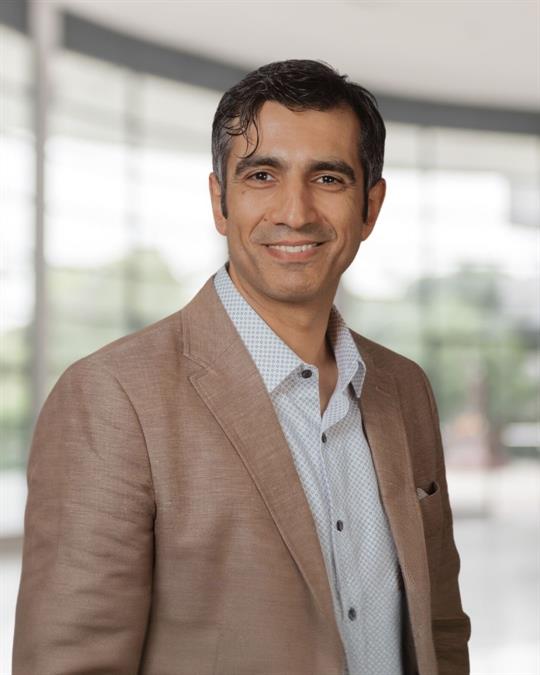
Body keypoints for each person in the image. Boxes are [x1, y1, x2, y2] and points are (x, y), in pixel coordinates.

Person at [13, 59, 470, 675]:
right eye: (261, 175)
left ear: (370, 206)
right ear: (219, 201)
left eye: (328, 178)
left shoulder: (403, 388)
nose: (295, 212)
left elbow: (441, 629)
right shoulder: (112, 397)